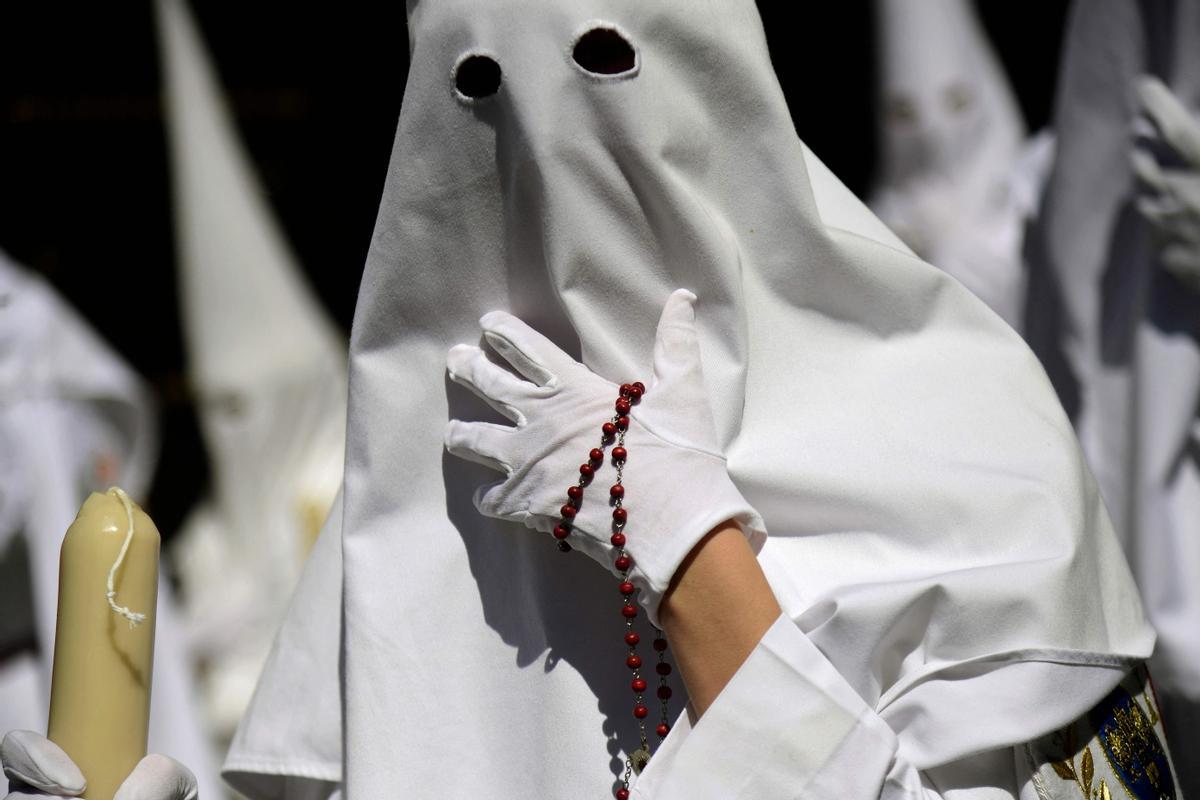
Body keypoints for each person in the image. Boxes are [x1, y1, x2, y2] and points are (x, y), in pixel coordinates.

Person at [5, 1, 1179, 798]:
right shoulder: (411, 527)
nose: (543, 152)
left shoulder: (971, 448)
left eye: (606, 61)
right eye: (474, 91)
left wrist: (698, 561)